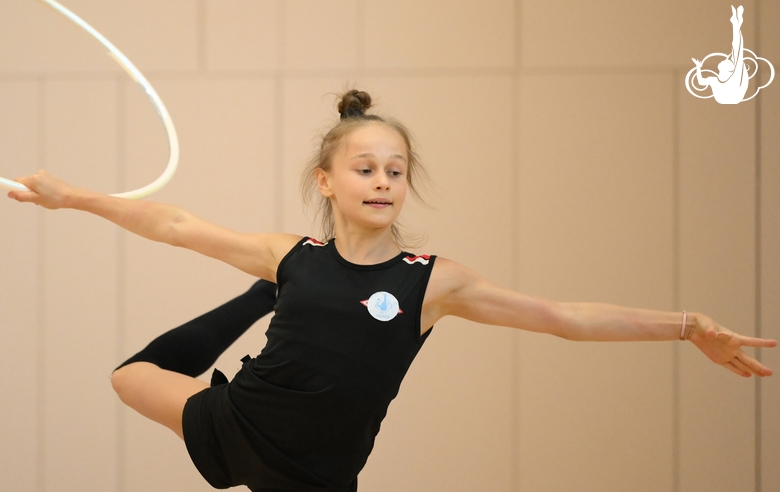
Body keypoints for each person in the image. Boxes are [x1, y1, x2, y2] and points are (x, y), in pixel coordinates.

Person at [7, 90, 777, 491]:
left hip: (319, 476)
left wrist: (687, 325)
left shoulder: (432, 282)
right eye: (365, 167)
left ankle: (258, 300)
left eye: (396, 169)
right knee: (126, 376)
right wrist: (71, 197)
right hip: (241, 422)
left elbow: (563, 318)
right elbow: (173, 222)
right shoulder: (293, 253)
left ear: (407, 183)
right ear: (327, 181)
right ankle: (257, 299)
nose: (382, 180)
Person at [692, 5, 749, 104]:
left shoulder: (728, 78)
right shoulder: (720, 79)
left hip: (731, 96)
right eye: (728, 61)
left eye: (727, 61)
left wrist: (698, 67)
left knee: (737, 50)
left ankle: (736, 23)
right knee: (737, 51)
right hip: (730, 97)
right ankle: (736, 23)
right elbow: (701, 82)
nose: (725, 59)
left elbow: (737, 49)